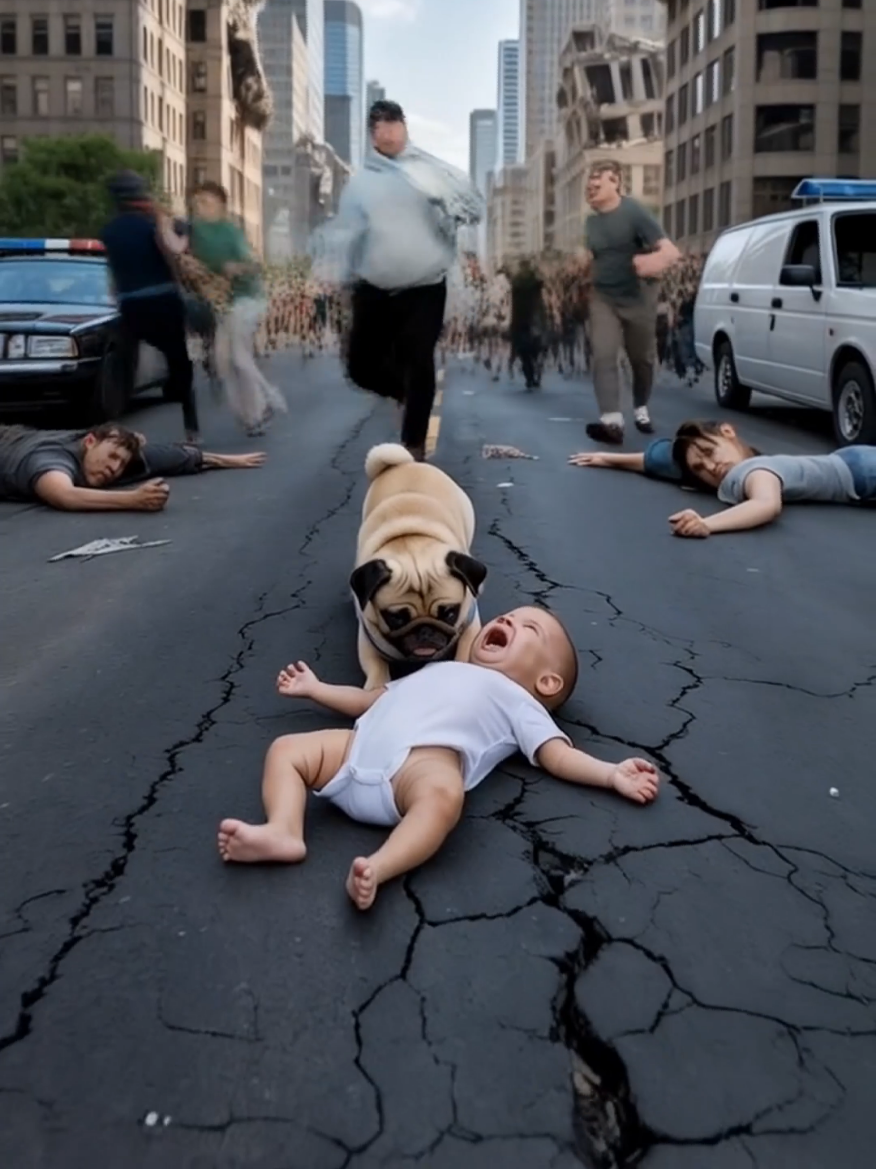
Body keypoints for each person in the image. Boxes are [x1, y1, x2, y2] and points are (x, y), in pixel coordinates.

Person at [217, 606, 660, 910]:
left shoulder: (517, 700)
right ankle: (284, 831)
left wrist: (611, 773)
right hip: (353, 752)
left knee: (445, 794)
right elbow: (369, 700)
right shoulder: (438, 668)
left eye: (530, 629)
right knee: (287, 749)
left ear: (545, 682)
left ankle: (380, 866)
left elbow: (556, 756)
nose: (508, 618)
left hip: (415, 773)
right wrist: (316, 689)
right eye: (511, 614)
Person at [313, 99, 483, 461]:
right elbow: (347, 233)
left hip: (424, 284)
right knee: (359, 367)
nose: (387, 130)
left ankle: (414, 445)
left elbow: (473, 206)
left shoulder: (429, 173)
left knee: (418, 356)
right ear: (372, 136)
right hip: (373, 286)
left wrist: (448, 207)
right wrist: (334, 271)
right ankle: (405, 391)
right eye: (378, 125)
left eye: (393, 123)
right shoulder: (359, 186)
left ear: (404, 128)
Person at [569, 419, 876, 537]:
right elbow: (662, 464)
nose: (712, 467)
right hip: (854, 465)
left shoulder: (752, 471)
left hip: (862, 471)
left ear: (728, 432)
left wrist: (708, 523)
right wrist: (610, 458)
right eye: (701, 470)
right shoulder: (744, 470)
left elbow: (766, 504)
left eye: (709, 452)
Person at [580, 160, 681, 446]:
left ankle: (640, 406)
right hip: (603, 297)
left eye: (597, 183)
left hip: (638, 298)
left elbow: (671, 252)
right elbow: (598, 256)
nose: (591, 188)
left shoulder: (634, 212)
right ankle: (611, 421)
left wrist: (650, 261)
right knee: (604, 354)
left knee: (642, 360)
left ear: (616, 183)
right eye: (589, 184)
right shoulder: (591, 222)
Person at [101, 171, 200, 443]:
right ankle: (191, 428)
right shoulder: (152, 223)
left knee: (123, 361)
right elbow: (174, 252)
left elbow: (113, 274)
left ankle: (113, 431)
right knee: (179, 361)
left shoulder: (108, 231)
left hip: (130, 305)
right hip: (163, 301)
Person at [189, 181, 286, 437]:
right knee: (222, 362)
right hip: (225, 304)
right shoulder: (194, 232)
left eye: (206, 202)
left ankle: (267, 400)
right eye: (197, 203)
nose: (201, 208)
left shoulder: (230, 232)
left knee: (239, 357)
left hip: (248, 299)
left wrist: (236, 267)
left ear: (221, 205)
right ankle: (251, 416)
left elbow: (255, 265)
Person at [0, 422, 265, 512]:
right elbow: (64, 495)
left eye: (121, 463)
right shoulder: (47, 459)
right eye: (112, 456)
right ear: (90, 442)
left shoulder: (101, 454)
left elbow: (168, 456)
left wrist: (229, 460)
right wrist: (133, 499)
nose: (114, 468)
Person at [510, 258, 547, 390]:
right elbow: (542, 283)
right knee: (535, 350)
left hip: (520, 320)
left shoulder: (516, 282)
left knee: (524, 352)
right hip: (533, 318)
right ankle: (533, 376)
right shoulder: (534, 281)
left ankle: (530, 378)